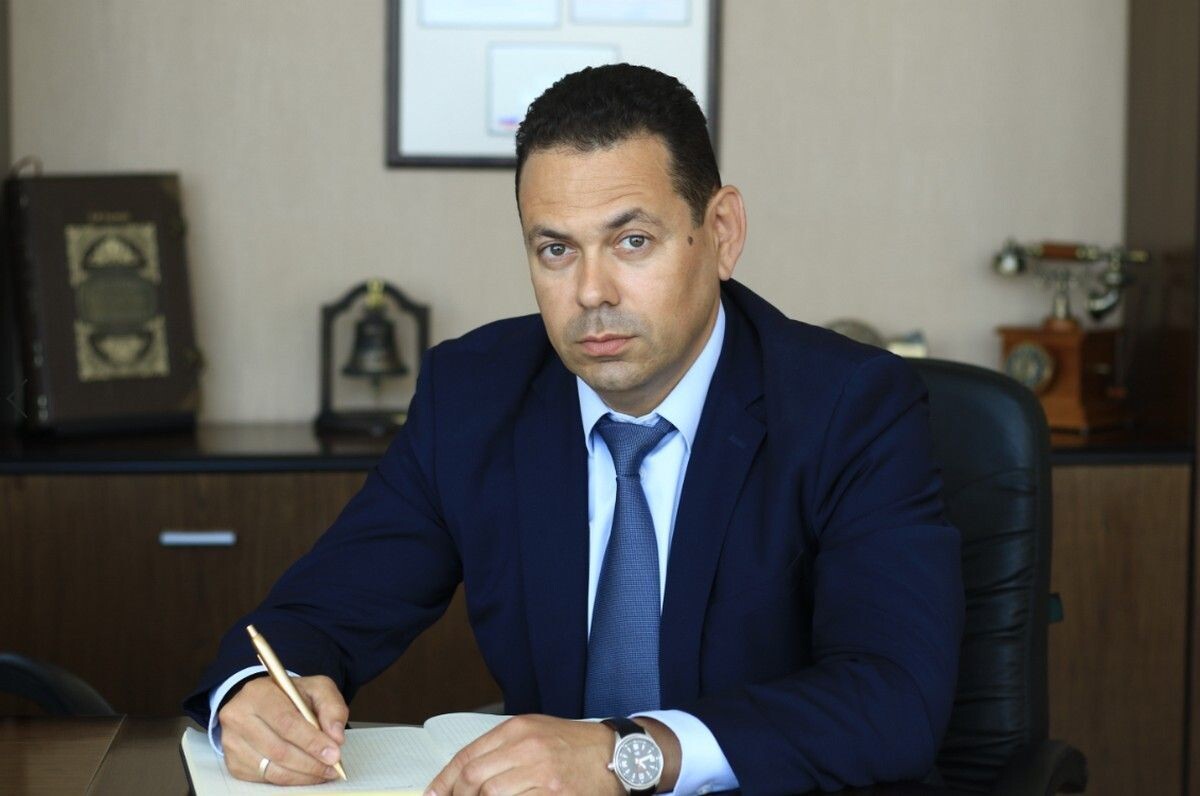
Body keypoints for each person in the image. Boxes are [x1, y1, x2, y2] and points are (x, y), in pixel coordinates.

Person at [184, 63, 963, 795]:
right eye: (556, 249)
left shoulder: (849, 407)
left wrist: (626, 754)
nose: (591, 292)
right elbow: (317, 615)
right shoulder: (475, 395)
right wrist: (255, 694)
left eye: (632, 242)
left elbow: (892, 699)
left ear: (722, 231)